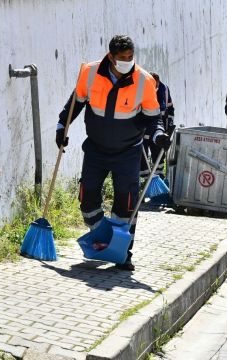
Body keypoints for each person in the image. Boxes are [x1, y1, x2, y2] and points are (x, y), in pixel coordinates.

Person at [56, 35, 169, 271]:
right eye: (122, 58)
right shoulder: (89, 73)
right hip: (96, 149)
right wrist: (61, 127)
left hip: (128, 152)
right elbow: (75, 103)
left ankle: (123, 253)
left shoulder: (144, 81)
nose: (127, 61)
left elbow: (153, 117)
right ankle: (103, 235)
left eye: (130, 57)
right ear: (111, 56)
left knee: (127, 204)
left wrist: (159, 135)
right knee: (87, 200)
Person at [140, 72, 174, 180]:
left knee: (159, 154)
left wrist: (169, 126)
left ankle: (159, 176)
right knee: (142, 157)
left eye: (156, 85)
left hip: (159, 130)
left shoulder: (164, 90)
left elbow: (170, 109)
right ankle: (145, 180)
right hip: (143, 132)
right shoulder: (140, 92)